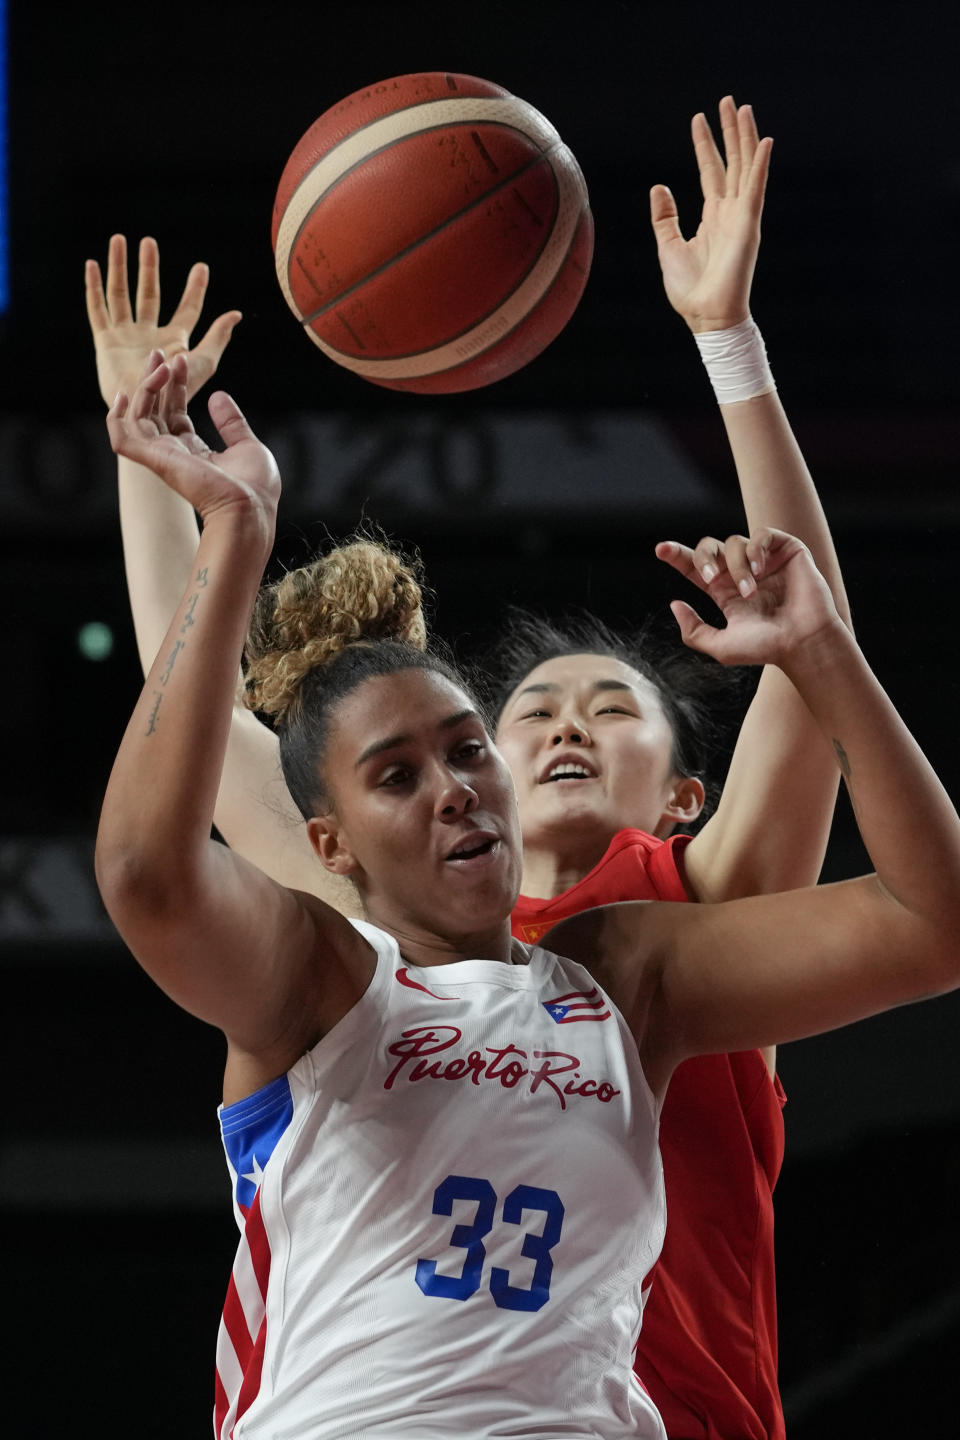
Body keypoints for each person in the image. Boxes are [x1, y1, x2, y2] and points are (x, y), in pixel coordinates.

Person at [85, 100, 844, 1435]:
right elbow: (192, 744)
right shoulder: (375, 945)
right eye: (524, 713)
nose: (553, 727)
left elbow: (812, 641)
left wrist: (729, 343)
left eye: (610, 708)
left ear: (679, 795)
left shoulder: (688, 918)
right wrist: (148, 459)